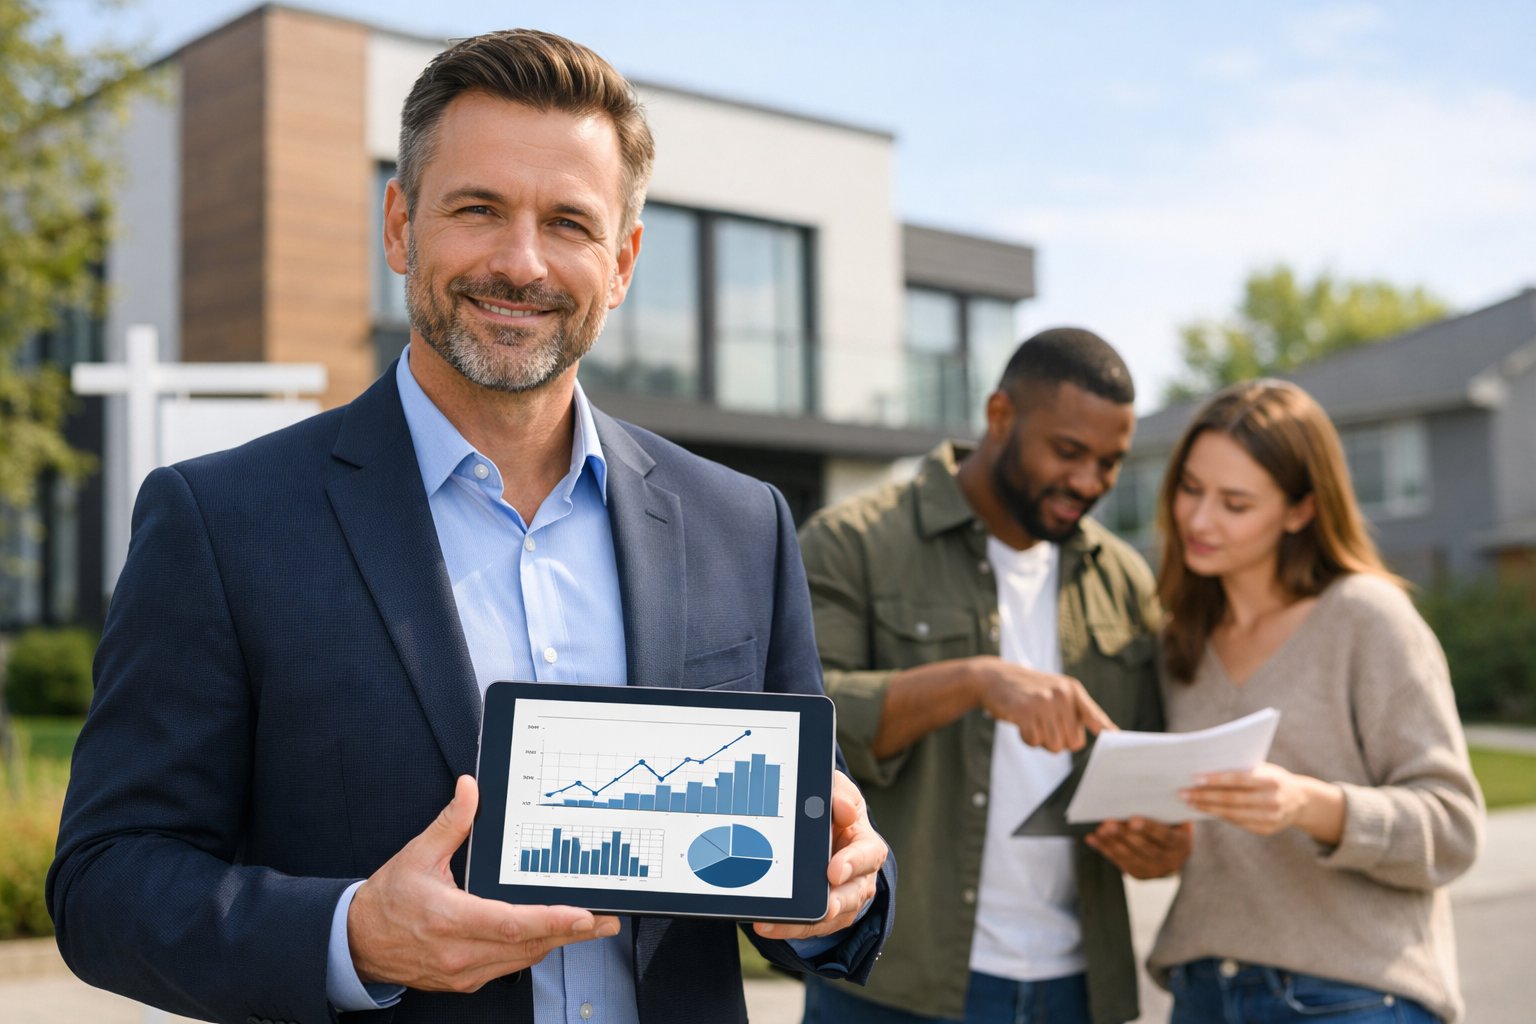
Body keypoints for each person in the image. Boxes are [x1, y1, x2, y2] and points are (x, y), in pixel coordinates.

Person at [47, 29, 892, 1024]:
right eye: (479, 208)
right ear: (400, 226)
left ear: (620, 262)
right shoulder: (222, 520)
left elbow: (808, 852)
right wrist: (352, 932)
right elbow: (106, 882)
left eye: (569, 222)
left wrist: (838, 893)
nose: (520, 262)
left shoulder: (739, 522)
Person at [797, 328, 1192, 1024]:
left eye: (1110, 463)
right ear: (1000, 416)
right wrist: (976, 681)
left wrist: (1162, 841)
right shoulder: (854, 543)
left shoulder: (1124, 578)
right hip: (896, 985)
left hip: (1076, 989)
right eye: (1069, 452)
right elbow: (806, 726)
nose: (1090, 482)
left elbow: (1151, 763)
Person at [1146, 379, 1483, 1023]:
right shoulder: (1178, 642)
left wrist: (1308, 805)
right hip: (1202, 991)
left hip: (1347, 993)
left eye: (1234, 503)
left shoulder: (1366, 617)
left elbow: (1455, 830)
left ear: (1300, 510)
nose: (1198, 519)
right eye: (1190, 488)